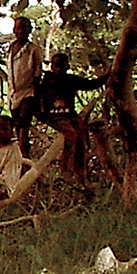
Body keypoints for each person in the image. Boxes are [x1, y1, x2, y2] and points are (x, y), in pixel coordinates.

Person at [38, 52, 107, 189]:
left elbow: (90, 84)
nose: (59, 70)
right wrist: (41, 115)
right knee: (71, 135)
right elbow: (37, 98)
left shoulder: (70, 79)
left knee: (81, 137)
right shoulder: (46, 80)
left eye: (62, 67)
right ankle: (65, 171)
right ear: (52, 66)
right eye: (56, 66)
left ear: (67, 67)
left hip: (69, 115)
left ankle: (81, 175)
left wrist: (107, 77)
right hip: (53, 117)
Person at [0, 16, 44, 157]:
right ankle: (17, 156)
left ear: (29, 31)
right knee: (18, 124)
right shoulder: (11, 48)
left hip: (28, 92)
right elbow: (11, 67)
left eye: (24, 28)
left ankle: (23, 154)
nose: (20, 31)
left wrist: (38, 98)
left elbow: (37, 73)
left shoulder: (33, 50)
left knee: (24, 124)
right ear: (14, 30)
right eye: (18, 28)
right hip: (13, 94)